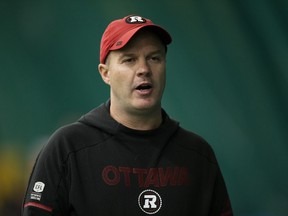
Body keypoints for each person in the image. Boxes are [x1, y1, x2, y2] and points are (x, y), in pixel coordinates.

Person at [22, 14, 233, 216]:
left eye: (154, 58)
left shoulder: (198, 154)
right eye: (129, 60)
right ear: (105, 73)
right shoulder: (67, 148)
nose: (144, 69)